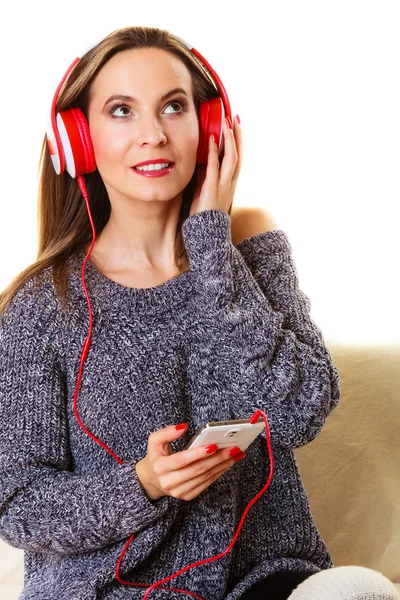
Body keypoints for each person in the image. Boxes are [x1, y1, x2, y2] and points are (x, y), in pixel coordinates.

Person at [0, 25, 398, 600]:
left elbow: (300, 411)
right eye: (121, 111)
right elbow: (17, 507)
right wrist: (143, 483)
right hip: (110, 590)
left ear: (208, 126)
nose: (154, 134)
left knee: (361, 591)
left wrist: (211, 244)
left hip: (258, 582)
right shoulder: (42, 305)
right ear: (79, 139)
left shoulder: (246, 245)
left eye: (173, 106)